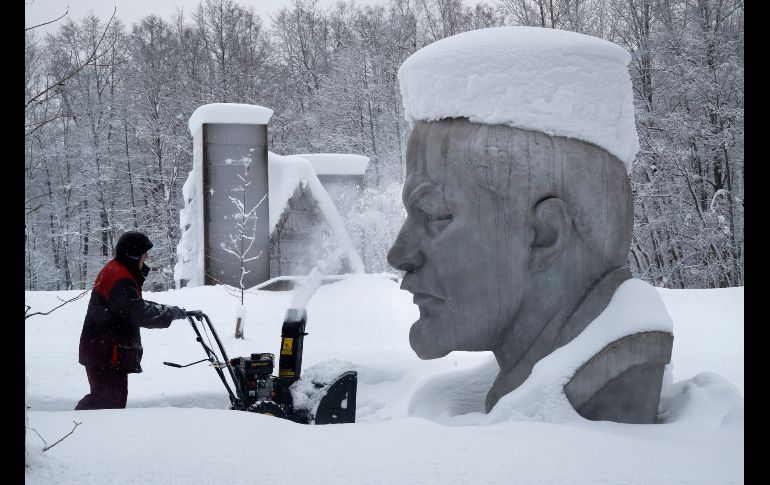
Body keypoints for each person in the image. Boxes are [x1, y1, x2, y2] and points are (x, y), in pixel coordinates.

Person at [388, 27, 674, 423]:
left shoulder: (598, 395)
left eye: (436, 216)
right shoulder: (536, 369)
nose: (399, 254)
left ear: (545, 235)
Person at [75, 231, 188, 410]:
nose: (147, 257)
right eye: (145, 253)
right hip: (106, 353)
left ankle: (90, 432)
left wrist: (168, 310)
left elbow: (134, 305)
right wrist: (170, 314)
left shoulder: (118, 271)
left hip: (103, 351)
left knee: (107, 401)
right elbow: (137, 312)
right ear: (133, 255)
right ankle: (77, 427)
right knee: (107, 403)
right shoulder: (119, 278)